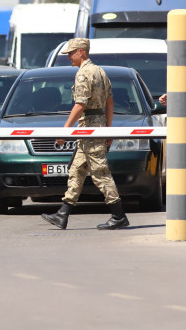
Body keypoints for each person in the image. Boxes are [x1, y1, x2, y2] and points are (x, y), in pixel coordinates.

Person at [41, 38, 130, 230]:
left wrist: (65, 130)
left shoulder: (83, 74)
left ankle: (118, 215)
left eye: (71, 53)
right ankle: (63, 214)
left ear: (81, 51)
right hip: (95, 126)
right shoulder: (100, 71)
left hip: (89, 127)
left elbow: (80, 105)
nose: (68, 57)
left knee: (100, 172)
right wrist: (108, 129)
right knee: (77, 170)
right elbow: (110, 102)